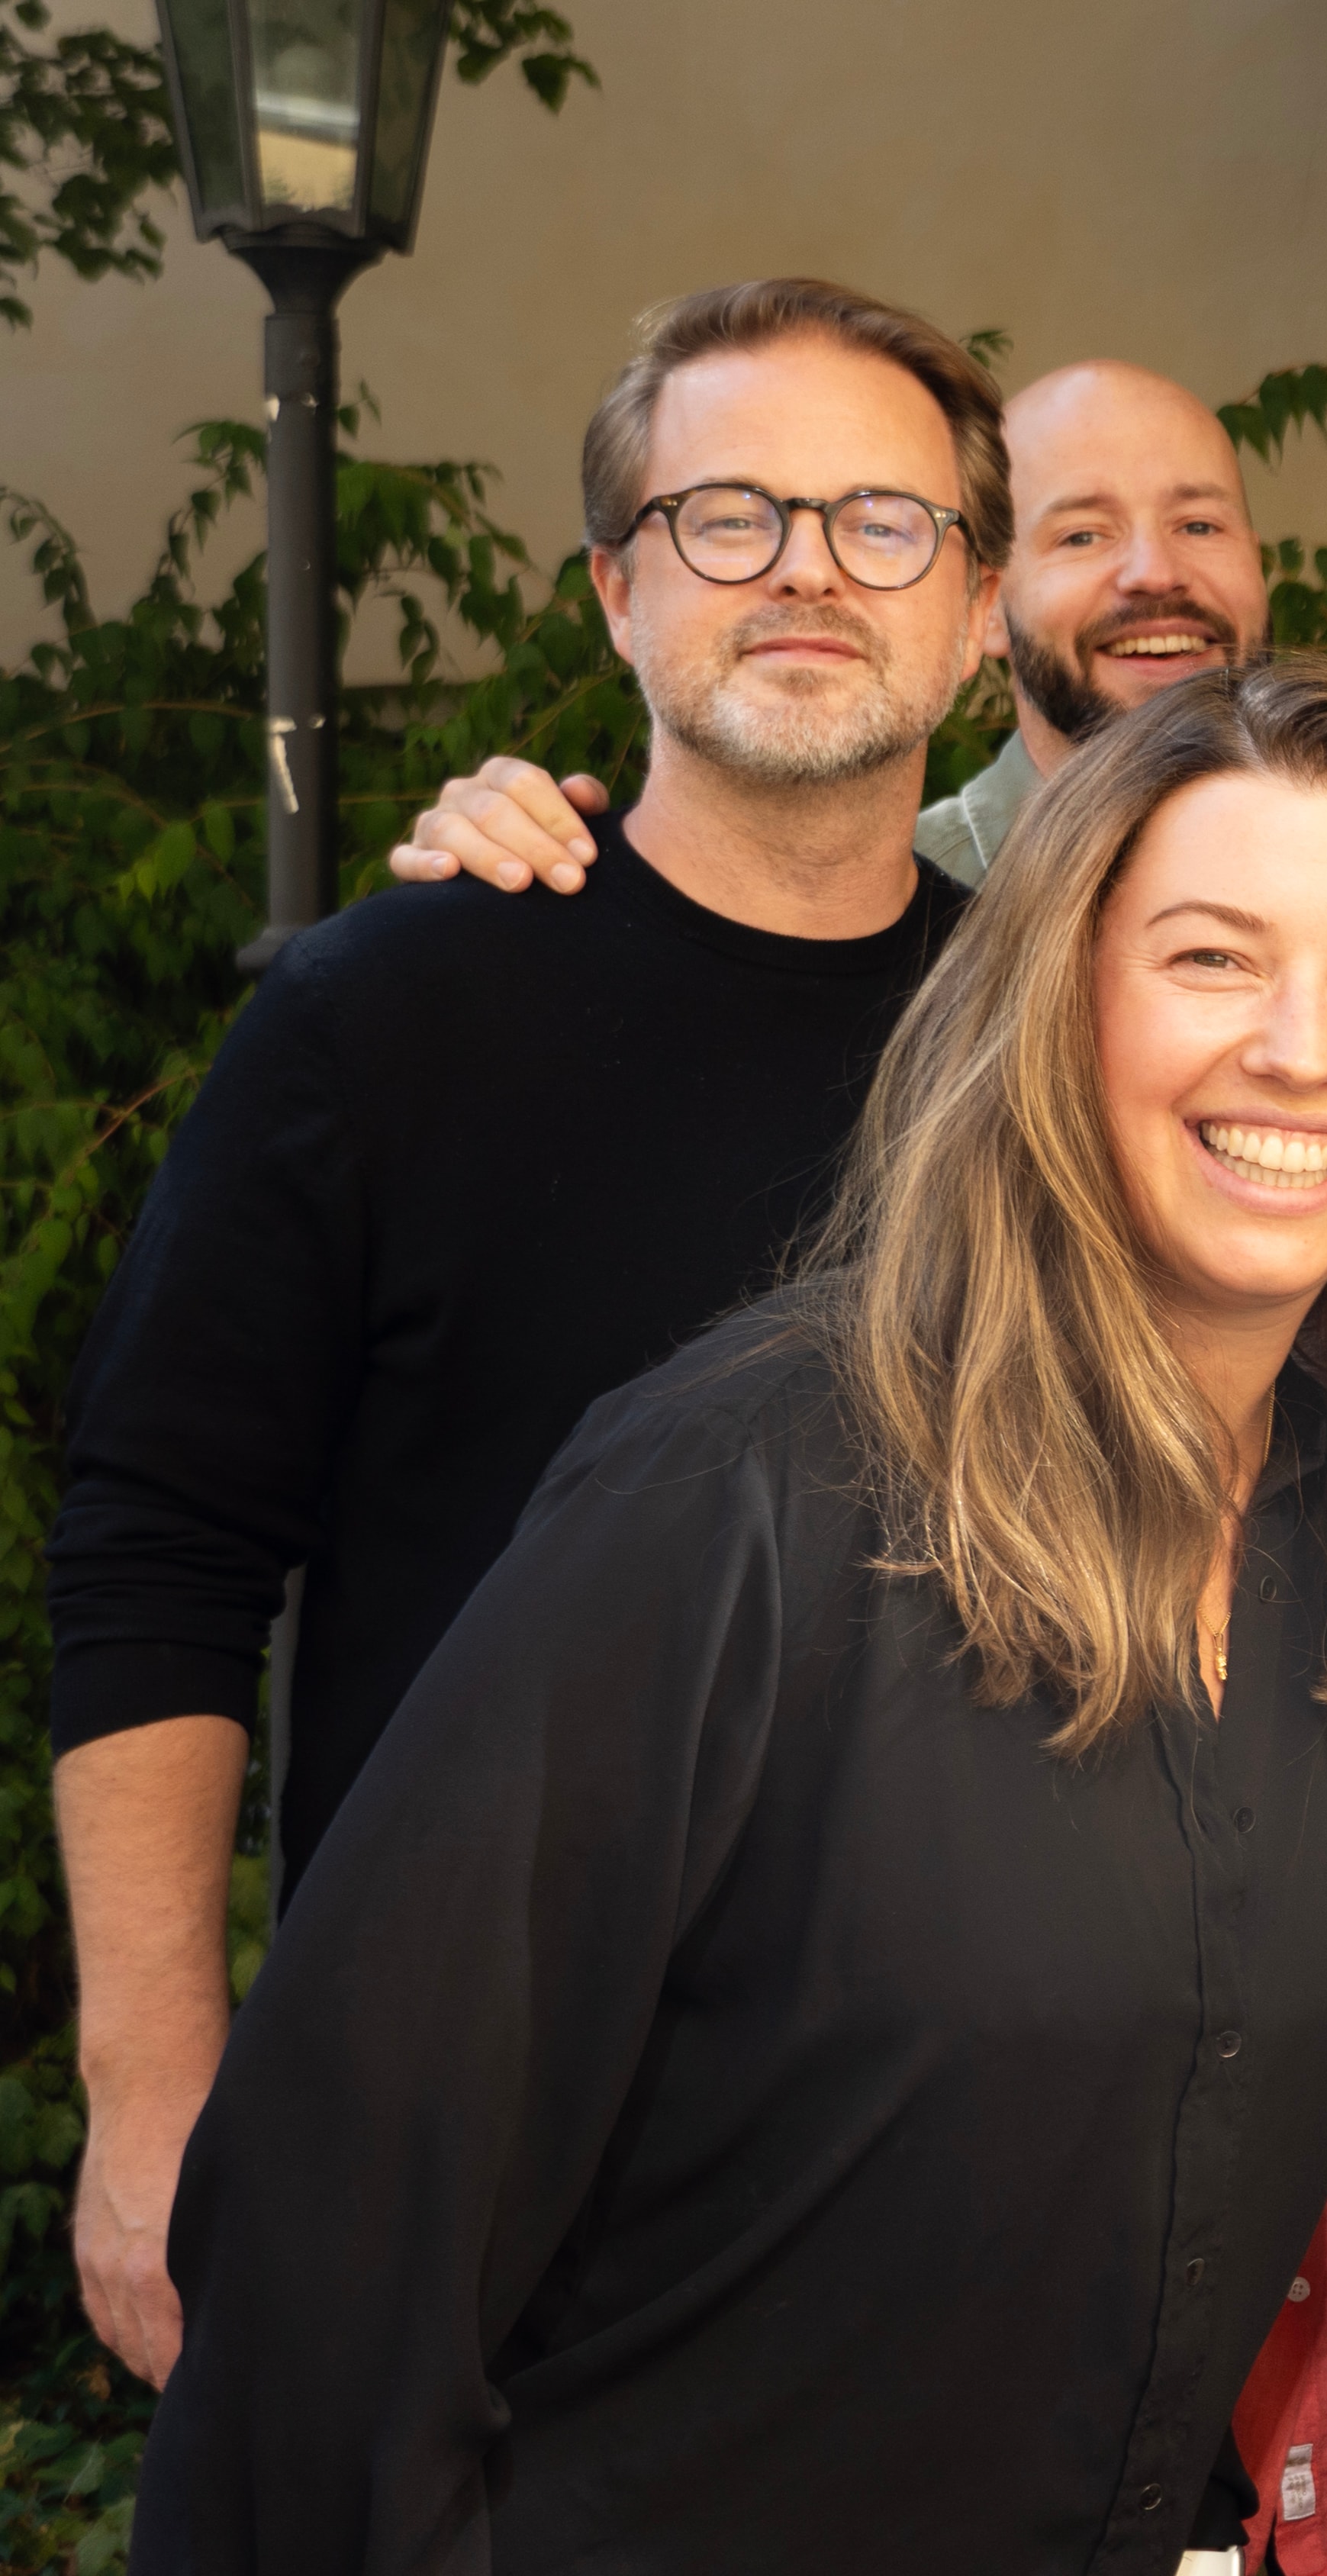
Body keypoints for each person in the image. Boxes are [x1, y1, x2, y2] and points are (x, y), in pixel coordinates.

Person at [129, 655, 1327, 2573]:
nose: (1302, 1049)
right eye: (1213, 959)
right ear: (1053, 1010)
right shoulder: (742, 1493)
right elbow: (340, 2248)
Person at [41, 275, 994, 2391]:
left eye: (884, 521)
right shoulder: (386, 1015)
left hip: (946, 2168)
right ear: (617, 591)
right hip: (457, 2163)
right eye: (729, 516)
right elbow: (159, 1559)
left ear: (980, 607)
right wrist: (153, 2094)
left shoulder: (1063, 1043)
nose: (812, 570)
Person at [388, 354, 1274, 893]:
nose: (1157, 572)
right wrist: (503, 858)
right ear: (985, 608)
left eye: (1200, 524)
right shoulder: (894, 919)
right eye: (1083, 533)